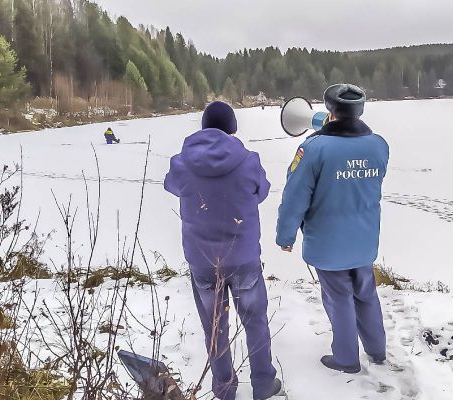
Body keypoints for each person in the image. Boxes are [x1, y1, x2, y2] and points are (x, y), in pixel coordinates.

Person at [164, 101, 282, 400]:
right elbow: (262, 191)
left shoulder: (181, 162)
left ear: (204, 127)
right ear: (232, 129)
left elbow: (173, 186)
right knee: (255, 322)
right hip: (242, 257)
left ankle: (224, 388)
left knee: (215, 328)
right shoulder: (249, 160)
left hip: (202, 261)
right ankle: (264, 384)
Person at [276, 84, 390, 374]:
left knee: (338, 297)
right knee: (366, 294)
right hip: (364, 241)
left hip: (328, 244)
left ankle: (346, 358)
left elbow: (295, 196)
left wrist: (285, 235)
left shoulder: (312, 149)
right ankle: (377, 351)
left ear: (330, 110)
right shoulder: (379, 145)